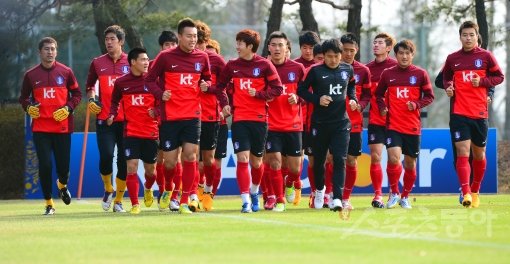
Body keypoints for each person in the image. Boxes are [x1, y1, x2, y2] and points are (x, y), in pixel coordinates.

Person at [212, 29, 283, 213]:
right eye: (236, 43)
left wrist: (259, 95)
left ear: (250, 46)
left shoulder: (265, 65)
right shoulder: (231, 66)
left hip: (259, 120)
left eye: (240, 43)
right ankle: (245, 201)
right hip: (240, 119)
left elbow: (277, 89)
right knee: (242, 159)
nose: (237, 47)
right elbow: (220, 87)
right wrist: (225, 104)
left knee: (257, 162)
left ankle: (254, 191)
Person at [146, 18, 212, 214]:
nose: (193, 40)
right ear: (180, 37)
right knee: (170, 162)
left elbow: (207, 78)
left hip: (192, 114)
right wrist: (160, 94)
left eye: (195, 37)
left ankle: (186, 198)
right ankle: (168, 189)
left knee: (191, 155)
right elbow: (149, 80)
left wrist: (205, 85)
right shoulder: (165, 58)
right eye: (189, 36)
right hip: (170, 117)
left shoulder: (202, 58)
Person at [442, 21, 504, 208]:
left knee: (479, 154)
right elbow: (445, 78)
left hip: (479, 113)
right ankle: (466, 191)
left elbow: (499, 77)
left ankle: (475, 189)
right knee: (462, 152)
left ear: (477, 36)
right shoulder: (452, 58)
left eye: (471, 35)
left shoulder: (486, 56)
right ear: (460, 37)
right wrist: (449, 87)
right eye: (464, 35)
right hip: (459, 113)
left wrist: (483, 81)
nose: (468, 38)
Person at [19, 37, 81, 215]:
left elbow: (76, 94)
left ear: (57, 51)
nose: (50, 52)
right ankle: (49, 203)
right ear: (40, 52)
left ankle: (62, 185)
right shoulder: (30, 75)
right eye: (46, 49)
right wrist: (28, 106)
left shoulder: (66, 72)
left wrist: (68, 108)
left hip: (62, 127)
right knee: (45, 165)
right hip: (41, 129)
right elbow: (23, 98)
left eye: (53, 49)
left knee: (64, 168)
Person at [297, 38, 358, 211]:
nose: (333, 60)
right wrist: (317, 99)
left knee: (340, 159)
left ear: (341, 55)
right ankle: (319, 190)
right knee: (319, 161)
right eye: (329, 56)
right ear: (323, 56)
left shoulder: (348, 69)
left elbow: (351, 85)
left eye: (336, 56)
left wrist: (352, 98)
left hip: (341, 123)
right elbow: (301, 90)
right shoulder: (315, 71)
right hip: (320, 123)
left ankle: (337, 198)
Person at [108, 47, 170, 214]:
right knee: (131, 167)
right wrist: (112, 114)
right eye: (142, 60)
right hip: (130, 132)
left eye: (147, 59)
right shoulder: (121, 82)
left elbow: (162, 103)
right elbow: (114, 102)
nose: (146, 63)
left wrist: (156, 112)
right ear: (133, 62)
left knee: (151, 171)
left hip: (150, 133)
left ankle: (148, 188)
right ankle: (135, 204)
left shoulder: (153, 81)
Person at [375, 39, 434, 209]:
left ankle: (405, 196)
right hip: (393, 125)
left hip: (413, 127)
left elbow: (429, 96)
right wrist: (382, 107)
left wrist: (416, 104)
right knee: (393, 159)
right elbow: (378, 95)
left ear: (412, 55)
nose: (404, 56)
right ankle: (394, 192)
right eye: (401, 53)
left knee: (410, 163)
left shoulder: (421, 74)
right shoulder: (387, 74)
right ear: (396, 55)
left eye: (407, 53)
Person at [86, 25, 130, 212]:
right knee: (105, 156)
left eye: (113, 39)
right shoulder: (97, 63)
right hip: (105, 119)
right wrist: (91, 100)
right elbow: (89, 87)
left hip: (128, 120)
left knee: (123, 160)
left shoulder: (132, 61)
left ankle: (119, 200)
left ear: (121, 41)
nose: (109, 42)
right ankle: (108, 189)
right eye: (107, 39)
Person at [264, 31, 306, 212]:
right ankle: (279, 200)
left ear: (287, 48)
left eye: (280, 45)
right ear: (268, 48)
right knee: (274, 162)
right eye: (273, 45)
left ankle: (290, 182)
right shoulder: (263, 68)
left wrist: (297, 98)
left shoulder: (297, 69)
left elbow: (306, 95)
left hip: (293, 125)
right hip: (271, 125)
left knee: (294, 168)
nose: (277, 48)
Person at [195, 20, 227, 211]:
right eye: (192, 40)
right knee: (190, 159)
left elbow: (226, 85)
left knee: (209, 161)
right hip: (188, 115)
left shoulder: (215, 60)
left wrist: (225, 104)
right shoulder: (180, 59)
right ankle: (192, 194)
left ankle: (208, 192)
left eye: (200, 41)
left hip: (212, 117)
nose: (196, 45)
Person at [339, 33, 372, 210]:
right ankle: (331, 195)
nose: (348, 54)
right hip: (334, 123)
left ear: (357, 50)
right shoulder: (331, 68)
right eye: (345, 50)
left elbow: (367, 94)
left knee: (351, 160)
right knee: (333, 159)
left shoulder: (363, 71)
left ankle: (346, 198)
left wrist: (361, 105)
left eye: (352, 50)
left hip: (354, 123)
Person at [365, 33, 397, 208]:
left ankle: (394, 192)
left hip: (394, 122)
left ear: (389, 47)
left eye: (380, 43)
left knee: (394, 160)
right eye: (374, 42)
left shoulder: (396, 67)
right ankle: (378, 195)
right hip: (375, 120)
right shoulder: (367, 69)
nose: (376, 45)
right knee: (376, 156)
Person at [152, 30, 179, 210]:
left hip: (182, 116)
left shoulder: (185, 62)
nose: (169, 48)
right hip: (161, 119)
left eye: (172, 44)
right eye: (166, 45)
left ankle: (175, 195)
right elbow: (148, 88)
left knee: (180, 157)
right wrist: (155, 107)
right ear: (161, 48)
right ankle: (163, 190)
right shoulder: (156, 64)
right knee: (162, 159)